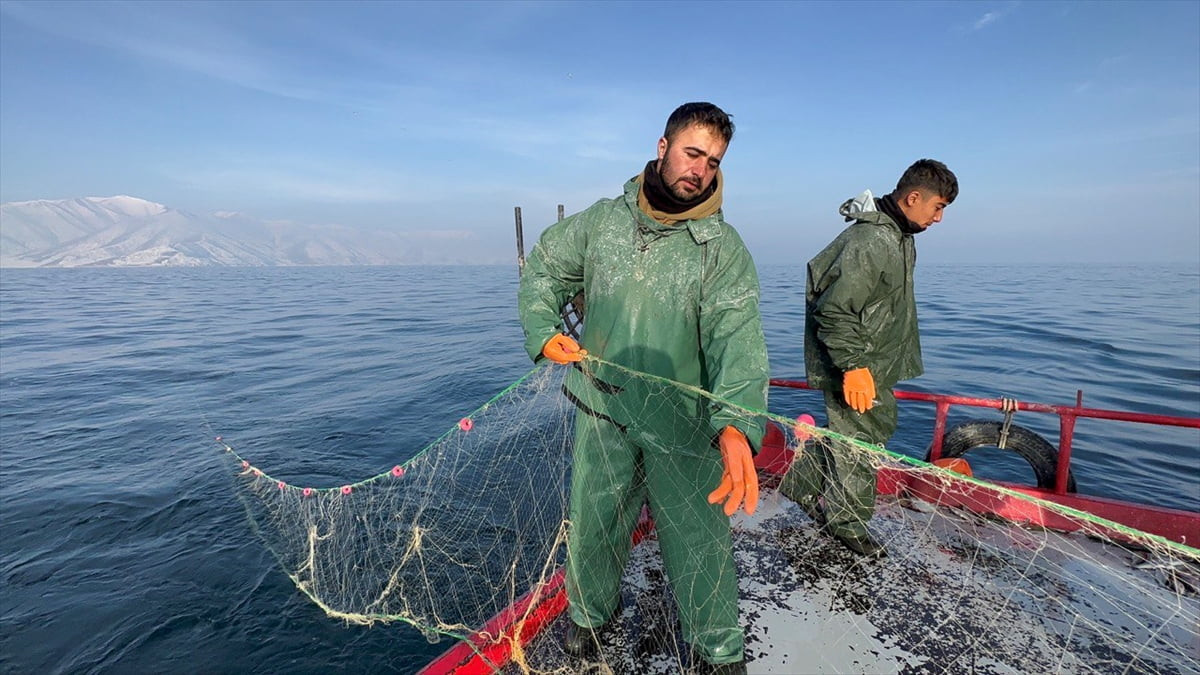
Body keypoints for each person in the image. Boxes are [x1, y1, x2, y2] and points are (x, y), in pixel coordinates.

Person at [517, 102, 768, 674]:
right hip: (602, 407)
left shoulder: (722, 250)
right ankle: (589, 618)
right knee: (595, 522)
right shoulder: (601, 222)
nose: (700, 169)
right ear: (663, 146)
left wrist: (736, 423)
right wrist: (542, 328)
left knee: (699, 542)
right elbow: (545, 269)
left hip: (683, 423)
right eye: (691, 153)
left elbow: (738, 340)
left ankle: (718, 653)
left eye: (713, 161)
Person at [780, 159, 959, 558]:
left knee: (857, 431)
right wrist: (854, 367)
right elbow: (834, 309)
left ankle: (801, 486)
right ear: (913, 198)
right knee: (861, 442)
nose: (940, 218)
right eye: (938, 207)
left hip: (874, 363)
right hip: (857, 365)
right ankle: (847, 525)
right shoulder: (871, 241)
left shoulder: (899, 236)